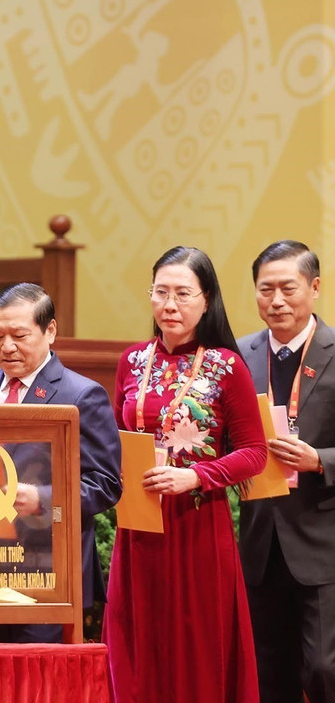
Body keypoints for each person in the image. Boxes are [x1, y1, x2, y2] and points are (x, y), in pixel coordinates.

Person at [103, 246, 266, 703]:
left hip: (197, 526)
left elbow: (255, 453)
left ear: (207, 299)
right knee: (137, 642)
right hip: (138, 527)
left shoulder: (227, 366)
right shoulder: (132, 360)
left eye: (182, 294)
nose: (169, 305)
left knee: (196, 646)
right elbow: (118, 439)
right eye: (160, 292)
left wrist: (194, 477)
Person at [0, 282, 122, 642]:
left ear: (50, 331)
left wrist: (43, 499)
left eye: (19, 334)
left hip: (49, 568)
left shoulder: (81, 394)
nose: (7, 347)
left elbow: (106, 484)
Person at [238, 240, 335, 703]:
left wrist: (319, 459)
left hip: (322, 544)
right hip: (259, 541)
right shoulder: (237, 356)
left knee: (321, 669)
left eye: (288, 289)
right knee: (266, 672)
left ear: (314, 288)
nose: (276, 301)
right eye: (265, 289)